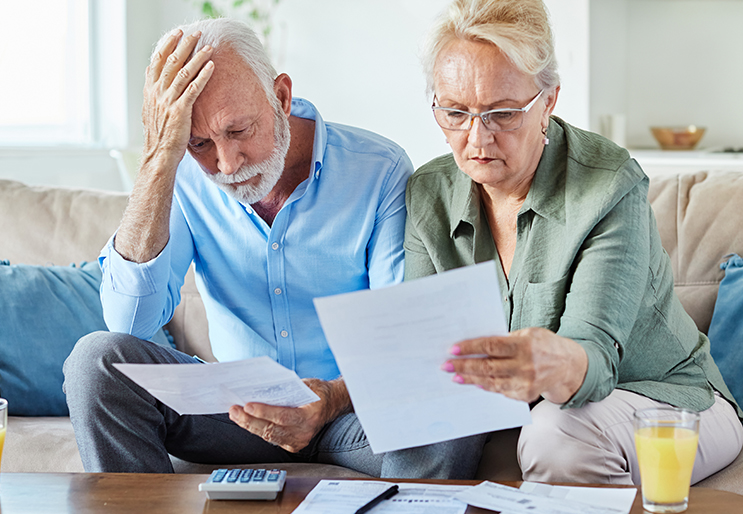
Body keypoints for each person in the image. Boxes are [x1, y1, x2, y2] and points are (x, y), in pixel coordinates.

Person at [63, 17, 486, 477]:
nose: (226, 164)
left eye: (240, 131)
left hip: (353, 412)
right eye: (200, 142)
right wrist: (159, 157)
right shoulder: (181, 175)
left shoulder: (378, 170)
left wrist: (329, 399)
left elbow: (401, 341)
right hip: (236, 415)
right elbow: (129, 322)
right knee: (96, 362)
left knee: (457, 401)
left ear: (281, 97)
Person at [405, 0, 743, 485]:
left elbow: (596, 359)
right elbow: (420, 349)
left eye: (502, 113)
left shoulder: (608, 183)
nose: (476, 138)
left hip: (667, 401)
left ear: (548, 100)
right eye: (455, 112)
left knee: (557, 433)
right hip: (528, 411)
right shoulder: (428, 191)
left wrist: (548, 361)